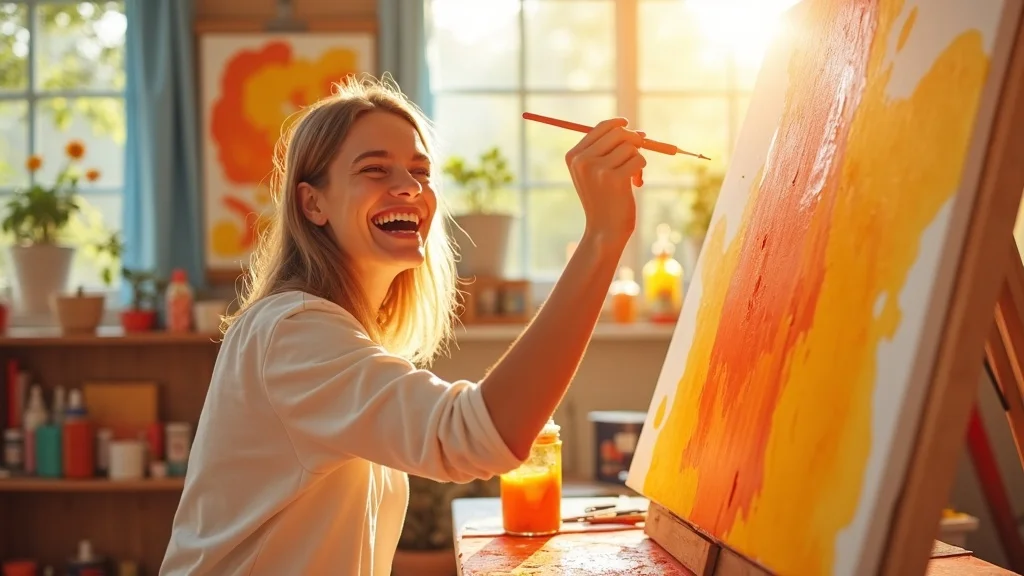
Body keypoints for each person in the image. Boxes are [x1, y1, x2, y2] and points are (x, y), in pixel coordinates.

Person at [160, 75, 646, 576]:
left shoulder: (336, 333)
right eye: (374, 169)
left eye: (420, 170)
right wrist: (602, 239)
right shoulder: (293, 332)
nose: (409, 187)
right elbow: (477, 436)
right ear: (313, 204)